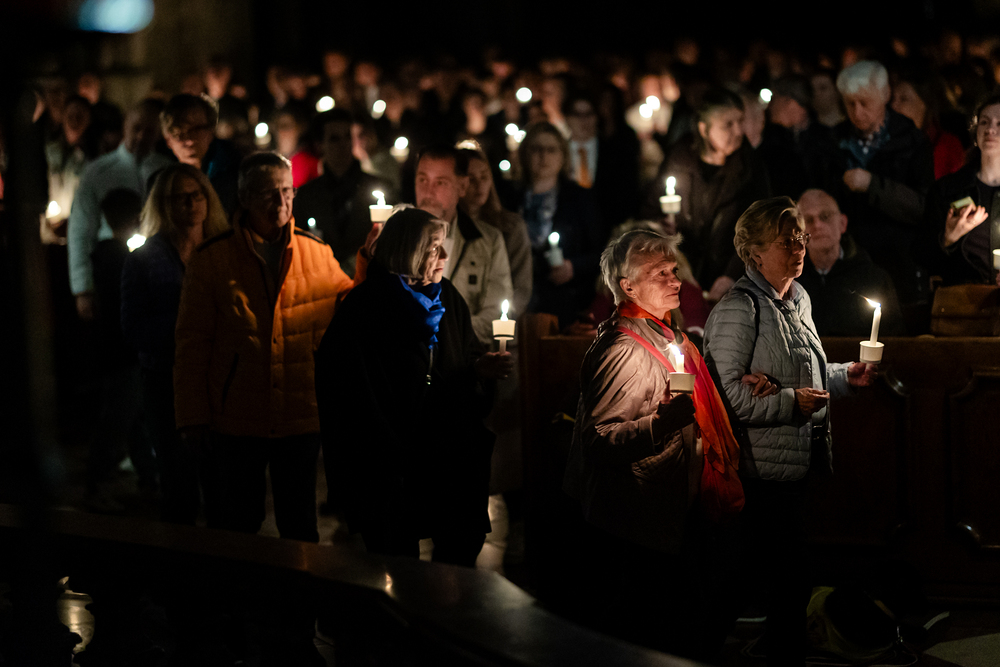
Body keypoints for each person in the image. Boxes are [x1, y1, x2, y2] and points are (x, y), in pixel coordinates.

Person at [563, 229, 764, 659]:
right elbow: (599, 439)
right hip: (641, 516)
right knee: (649, 628)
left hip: (669, 507)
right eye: (661, 274)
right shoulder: (624, 348)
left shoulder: (665, 333)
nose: (676, 280)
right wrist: (660, 424)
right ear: (628, 286)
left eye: (674, 270)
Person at [703, 197, 877, 667]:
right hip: (758, 472)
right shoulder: (739, 308)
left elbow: (805, 373)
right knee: (764, 581)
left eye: (800, 237)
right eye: (787, 240)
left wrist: (843, 377)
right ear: (755, 252)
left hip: (792, 464)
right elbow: (725, 397)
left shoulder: (796, 298)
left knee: (778, 581)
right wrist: (788, 403)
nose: (800, 247)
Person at [173, 152, 367, 542]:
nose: (281, 202)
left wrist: (369, 264)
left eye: (287, 191)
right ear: (244, 198)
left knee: (299, 522)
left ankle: (298, 583)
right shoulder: (212, 260)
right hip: (237, 416)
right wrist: (192, 417)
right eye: (268, 193)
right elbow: (193, 344)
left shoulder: (316, 253)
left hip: (299, 413)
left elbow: (349, 310)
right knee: (239, 521)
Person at [315, 206, 512, 566]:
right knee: (396, 567)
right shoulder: (365, 308)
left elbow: (464, 359)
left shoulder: (447, 297)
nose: (445, 256)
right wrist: (389, 447)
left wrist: (479, 370)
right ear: (407, 250)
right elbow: (348, 392)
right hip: (391, 466)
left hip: (446, 460)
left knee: (456, 559)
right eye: (434, 247)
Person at [121, 163, 230, 525]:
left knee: (222, 485)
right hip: (165, 380)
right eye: (178, 198)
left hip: (218, 380)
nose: (190, 204)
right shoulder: (143, 260)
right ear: (162, 204)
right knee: (178, 483)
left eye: (196, 195)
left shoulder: (225, 250)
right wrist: (191, 325)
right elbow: (134, 328)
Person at [825, 60, 935, 315]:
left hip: (900, 262)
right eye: (850, 103)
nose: (857, 111)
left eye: (865, 102)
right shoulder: (833, 141)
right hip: (850, 260)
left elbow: (923, 206)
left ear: (885, 95)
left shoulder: (912, 141)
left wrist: (873, 185)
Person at [640, 88, 770, 300]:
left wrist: (731, 275)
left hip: (731, 281)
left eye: (740, 121)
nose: (738, 131)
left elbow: (760, 229)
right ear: (704, 129)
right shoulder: (679, 160)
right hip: (681, 276)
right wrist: (660, 227)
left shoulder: (751, 168)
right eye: (728, 124)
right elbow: (651, 209)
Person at [68, 99, 172, 321]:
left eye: (149, 130)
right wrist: (83, 288)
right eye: (136, 128)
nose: (141, 136)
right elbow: (81, 230)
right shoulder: (98, 172)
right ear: (125, 125)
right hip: (112, 269)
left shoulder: (167, 170)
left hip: (158, 271)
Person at [87, 188, 151, 512]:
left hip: (116, 351)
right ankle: (97, 485)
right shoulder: (123, 259)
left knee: (135, 418)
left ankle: (150, 481)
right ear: (137, 217)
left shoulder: (105, 256)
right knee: (120, 419)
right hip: (126, 353)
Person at [414, 145, 513, 345]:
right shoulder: (394, 238)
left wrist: (445, 333)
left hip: (464, 355)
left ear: (462, 187)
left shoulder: (486, 241)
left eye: (440, 182)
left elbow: (495, 312)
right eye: (423, 180)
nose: (428, 191)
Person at [518, 122, 604, 328]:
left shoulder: (579, 198)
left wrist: (573, 267)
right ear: (525, 154)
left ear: (563, 155)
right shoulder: (511, 197)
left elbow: (601, 251)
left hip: (565, 302)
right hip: (519, 299)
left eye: (551, 150)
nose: (543, 156)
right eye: (536, 149)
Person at [293, 108, 393, 277]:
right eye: (334, 138)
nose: (343, 144)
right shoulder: (306, 196)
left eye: (348, 136)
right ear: (320, 145)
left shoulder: (381, 189)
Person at [795, 189, 903, 337]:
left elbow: (894, 339)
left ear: (842, 223)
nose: (817, 225)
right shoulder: (788, 282)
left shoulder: (874, 279)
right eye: (808, 220)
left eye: (825, 216)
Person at [926, 92, 1000, 287]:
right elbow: (924, 257)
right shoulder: (947, 190)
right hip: (962, 299)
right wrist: (947, 239)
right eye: (984, 122)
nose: (990, 129)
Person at [458, 142, 532, 316]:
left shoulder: (510, 227)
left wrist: (500, 319)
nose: (479, 185)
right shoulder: (448, 228)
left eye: (484, 177)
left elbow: (521, 285)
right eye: (471, 179)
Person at [563, 90, 640, 229]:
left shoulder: (615, 151)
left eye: (589, 114)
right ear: (567, 118)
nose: (583, 121)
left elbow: (627, 192)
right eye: (577, 114)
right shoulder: (559, 154)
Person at [160, 93, 241, 215]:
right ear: (168, 139)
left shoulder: (235, 173)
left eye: (197, 129)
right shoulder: (161, 181)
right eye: (179, 132)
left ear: (211, 131)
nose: (190, 140)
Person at [891, 70, 966, 180]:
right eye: (893, 99)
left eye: (904, 99)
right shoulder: (885, 141)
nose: (894, 106)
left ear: (925, 104)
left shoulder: (947, 146)